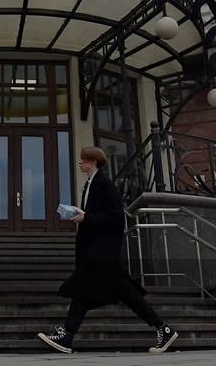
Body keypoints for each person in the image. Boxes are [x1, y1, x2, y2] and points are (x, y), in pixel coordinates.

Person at [37, 146, 178, 353]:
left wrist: (87, 217)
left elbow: (116, 216)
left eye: (83, 159)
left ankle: (67, 335)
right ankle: (163, 329)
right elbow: (99, 214)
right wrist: (82, 214)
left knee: (84, 287)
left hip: (103, 251)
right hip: (96, 249)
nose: (80, 162)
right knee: (119, 292)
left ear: (93, 161)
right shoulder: (90, 184)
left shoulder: (104, 183)